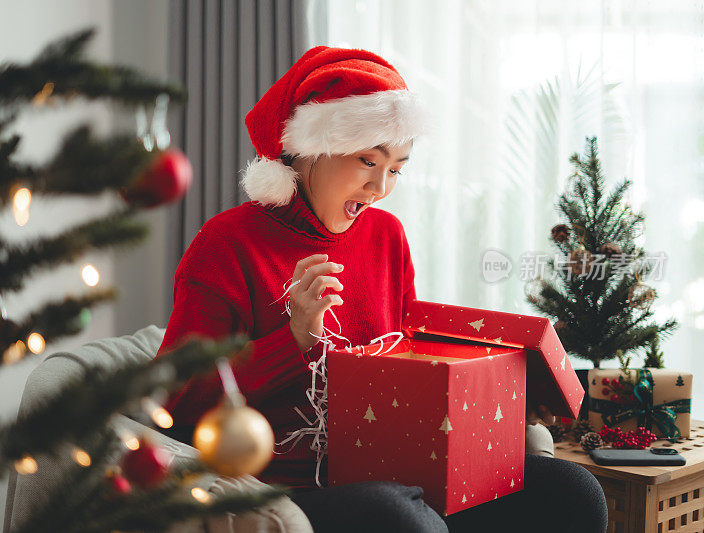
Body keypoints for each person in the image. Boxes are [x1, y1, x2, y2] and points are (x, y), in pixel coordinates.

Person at [156, 46, 607, 532]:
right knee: (406, 520)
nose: (379, 188)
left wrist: (508, 395)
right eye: (367, 161)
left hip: (398, 467)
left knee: (572, 492)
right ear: (310, 149)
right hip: (292, 487)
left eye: (395, 168)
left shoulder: (385, 235)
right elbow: (177, 404)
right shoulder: (227, 244)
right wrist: (294, 341)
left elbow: (411, 362)